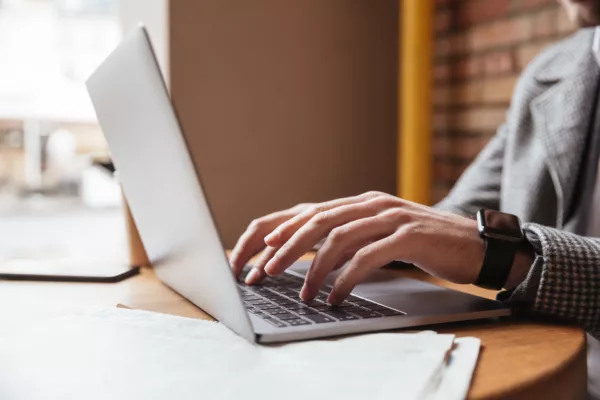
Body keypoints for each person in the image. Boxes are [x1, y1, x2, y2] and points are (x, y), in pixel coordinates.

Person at [230, 0, 600, 396]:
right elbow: (461, 217)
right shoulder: (552, 71)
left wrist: (508, 256)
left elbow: (483, 244)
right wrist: (359, 227)